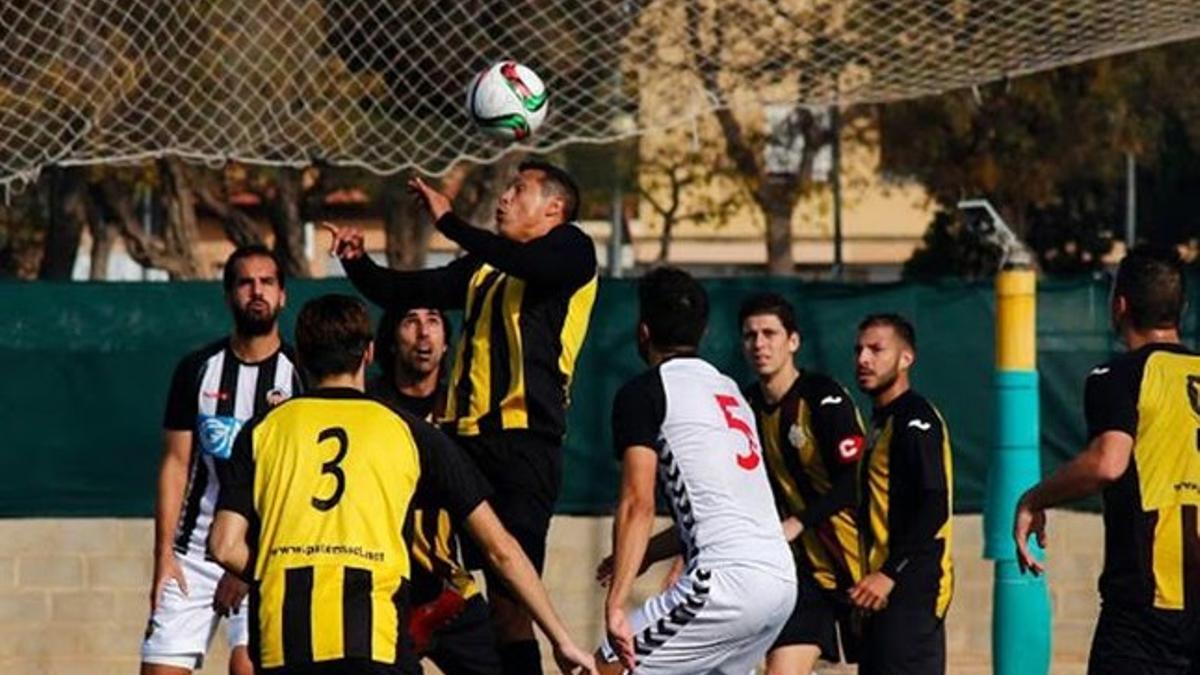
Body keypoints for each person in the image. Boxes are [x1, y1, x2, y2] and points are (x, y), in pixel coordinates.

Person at [207, 294, 595, 675]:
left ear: (302, 357)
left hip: (284, 635)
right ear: (370, 352)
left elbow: (224, 546)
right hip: (374, 629)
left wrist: (281, 566)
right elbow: (501, 550)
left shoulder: (264, 429)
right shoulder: (407, 431)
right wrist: (562, 639)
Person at [325, 160, 598, 675]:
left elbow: (538, 269)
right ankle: (419, 603)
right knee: (388, 504)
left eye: (519, 191)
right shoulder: (484, 266)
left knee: (510, 606)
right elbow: (408, 291)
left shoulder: (573, 248)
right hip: (463, 440)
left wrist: (448, 221)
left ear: (554, 209)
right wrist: (359, 264)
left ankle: (445, 614)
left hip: (523, 444)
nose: (504, 198)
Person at [598, 267, 796, 675]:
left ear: (644, 331)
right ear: (702, 335)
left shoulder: (645, 392)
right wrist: (646, 554)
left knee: (601, 667)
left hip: (725, 587)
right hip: (780, 581)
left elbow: (638, 503)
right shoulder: (731, 392)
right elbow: (719, 511)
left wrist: (616, 603)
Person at [1014, 247, 1200, 673]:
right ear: (1182, 309)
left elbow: (1108, 461)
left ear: (1119, 306)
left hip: (1146, 606)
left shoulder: (1119, 375)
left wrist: (1033, 498)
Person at [141, 245, 301, 675]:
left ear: (283, 295)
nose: (257, 291)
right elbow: (175, 464)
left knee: (246, 667)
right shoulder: (196, 369)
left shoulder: (300, 374)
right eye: (245, 282)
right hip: (192, 555)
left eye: (267, 282)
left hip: (265, 554)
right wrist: (163, 558)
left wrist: (246, 567)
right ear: (229, 295)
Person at [369, 307, 502, 675]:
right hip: (382, 592)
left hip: (450, 591)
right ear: (391, 342)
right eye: (410, 321)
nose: (423, 333)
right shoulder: (368, 405)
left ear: (447, 344)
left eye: (433, 322)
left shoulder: (462, 410)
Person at [738, 293, 865, 674]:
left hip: (858, 567)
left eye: (769, 333)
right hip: (798, 576)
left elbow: (855, 481)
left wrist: (797, 522)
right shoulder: (743, 409)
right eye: (750, 335)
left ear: (792, 341)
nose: (759, 344)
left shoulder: (823, 398)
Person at [851, 313, 954, 675]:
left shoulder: (915, 419)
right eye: (859, 349)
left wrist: (889, 574)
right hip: (881, 593)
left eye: (876, 349)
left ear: (906, 358)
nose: (863, 359)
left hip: (913, 592)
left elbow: (934, 503)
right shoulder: (881, 421)